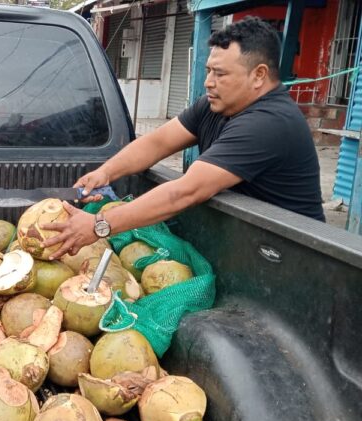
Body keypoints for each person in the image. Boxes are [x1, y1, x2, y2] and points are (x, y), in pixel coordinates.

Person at [42, 16, 324, 260]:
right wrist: (105, 172)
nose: (208, 82)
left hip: (289, 257)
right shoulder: (216, 104)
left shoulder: (269, 123)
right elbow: (157, 143)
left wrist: (98, 225)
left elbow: (185, 191)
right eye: (209, 71)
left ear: (259, 75)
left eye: (220, 73)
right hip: (248, 246)